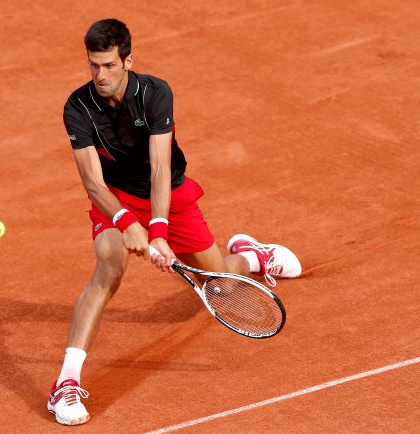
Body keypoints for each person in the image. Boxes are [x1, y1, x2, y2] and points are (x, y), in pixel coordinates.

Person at [47, 18, 302, 426]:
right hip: (115, 199)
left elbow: (161, 169)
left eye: (109, 65)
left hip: (168, 194)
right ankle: (66, 384)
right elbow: (93, 182)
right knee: (109, 267)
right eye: (93, 65)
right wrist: (126, 221)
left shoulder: (155, 93)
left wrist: (159, 232)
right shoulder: (78, 107)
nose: (99, 75)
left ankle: (251, 257)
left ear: (128, 61)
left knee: (221, 284)